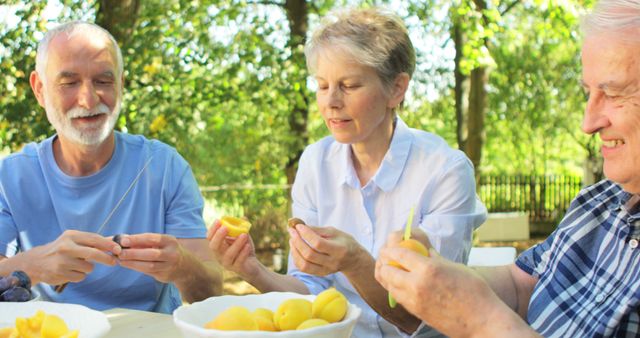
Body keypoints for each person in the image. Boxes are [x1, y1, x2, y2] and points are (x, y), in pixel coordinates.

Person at [207, 7, 486, 337]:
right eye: (322, 86)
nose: (331, 102)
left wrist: (355, 261)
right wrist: (251, 269)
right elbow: (310, 294)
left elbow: (427, 317)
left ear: (397, 89)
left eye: (349, 85)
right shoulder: (314, 163)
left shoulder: (445, 172)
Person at [375, 0, 640, 336]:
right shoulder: (597, 204)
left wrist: (481, 320)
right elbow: (519, 285)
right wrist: (438, 276)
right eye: (589, 93)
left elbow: (490, 314)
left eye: (614, 93)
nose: (588, 123)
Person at [0, 21, 222, 313]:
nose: (88, 99)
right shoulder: (10, 177)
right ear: (39, 89)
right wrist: (32, 265)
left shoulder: (166, 167)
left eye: (103, 81)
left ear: (121, 84)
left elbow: (212, 294)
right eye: (69, 83)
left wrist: (182, 266)